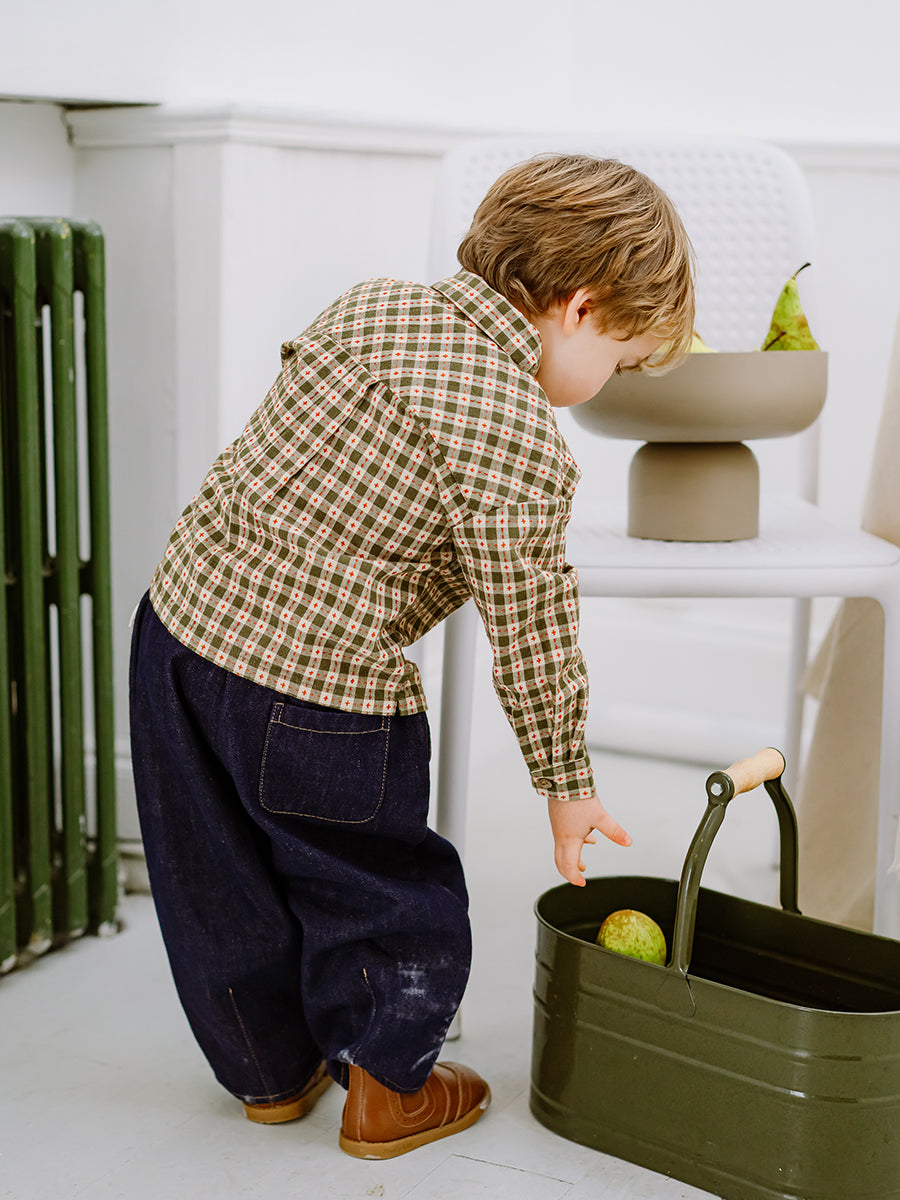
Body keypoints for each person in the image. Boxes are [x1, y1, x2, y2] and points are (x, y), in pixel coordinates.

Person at [128, 152, 695, 1160]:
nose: (602, 387)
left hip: (179, 630)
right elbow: (530, 622)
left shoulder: (372, 306)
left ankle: (268, 1075)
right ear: (579, 308)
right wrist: (565, 781)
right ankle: (388, 1090)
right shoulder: (519, 435)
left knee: (212, 871)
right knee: (381, 889)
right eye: (618, 361)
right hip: (321, 691)